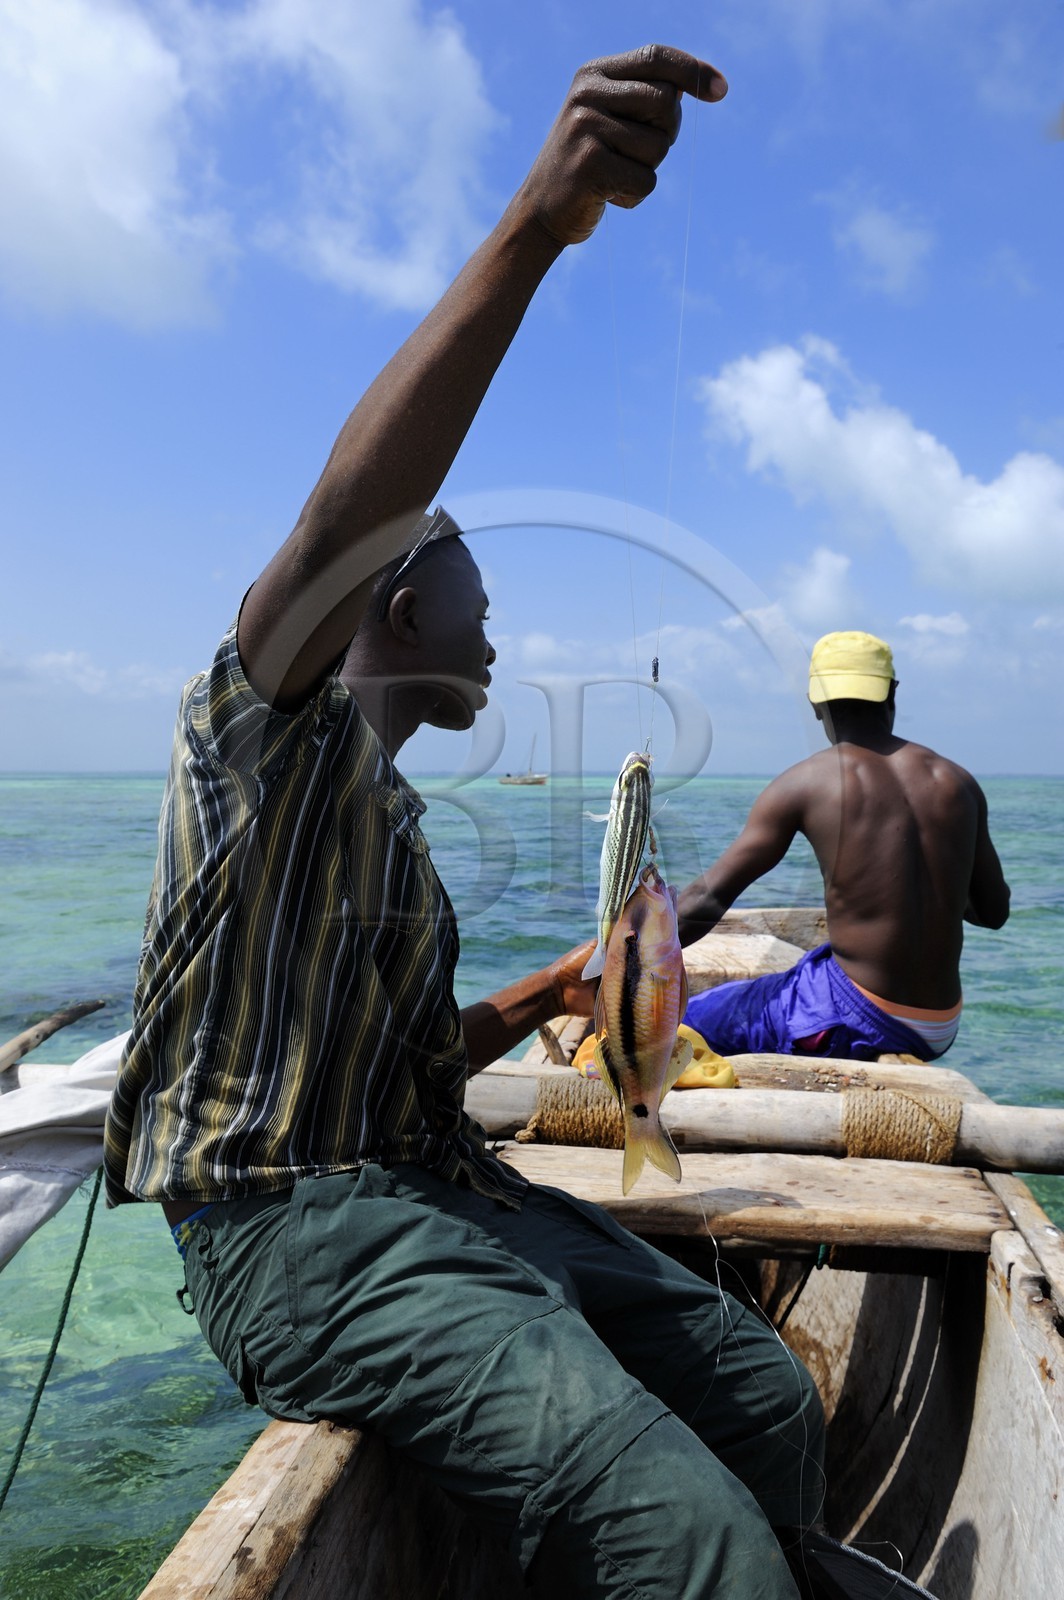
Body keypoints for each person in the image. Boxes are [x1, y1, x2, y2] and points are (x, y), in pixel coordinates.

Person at [103, 48, 825, 1600]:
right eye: (480, 610)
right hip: (289, 1234)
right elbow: (349, 511)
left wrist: (556, 993)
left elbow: (417, 1065)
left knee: (761, 1388)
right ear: (402, 596)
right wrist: (536, 228)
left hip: (433, 1188)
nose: (497, 643)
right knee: (692, 1541)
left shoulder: (393, 823)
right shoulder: (252, 734)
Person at [678, 630, 1011, 1062]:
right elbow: (993, 913)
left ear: (816, 704)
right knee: (807, 972)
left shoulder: (807, 782)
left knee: (689, 1017)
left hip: (855, 1017)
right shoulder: (957, 782)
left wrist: (620, 959)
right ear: (892, 693)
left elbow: (708, 898)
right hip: (940, 1024)